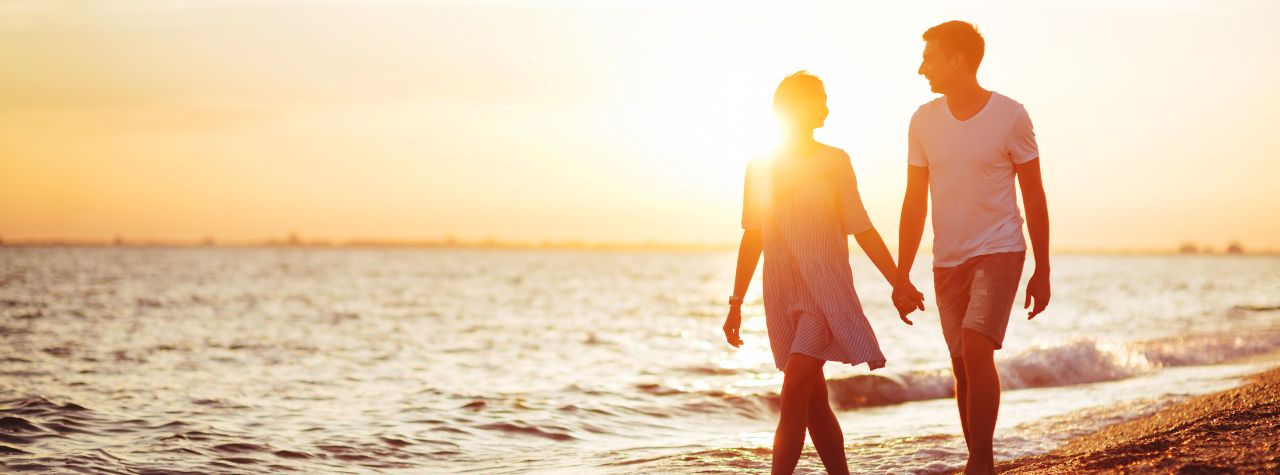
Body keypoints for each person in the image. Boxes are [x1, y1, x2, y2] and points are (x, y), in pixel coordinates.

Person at [722, 71, 922, 475]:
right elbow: (753, 236)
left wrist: (898, 280)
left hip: (824, 292)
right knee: (814, 402)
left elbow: (860, 226)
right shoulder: (761, 165)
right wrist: (736, 303)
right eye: (819, 99)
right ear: (793, 107)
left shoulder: (834, 161)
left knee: (794, 389)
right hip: (781, 291)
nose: (827, 107)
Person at [892, 21, 1052, 475]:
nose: (922, 68)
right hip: (948, 258)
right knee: (962, 363)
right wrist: (901, 274)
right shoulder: (923, 120)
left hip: (1001, 249)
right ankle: (977, 456)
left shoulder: (1011, 116)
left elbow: (1035, 195)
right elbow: (913, 200)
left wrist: (1042, 268)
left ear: (958, 61)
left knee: (976, 347)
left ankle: (981, 462)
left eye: (930, 58)